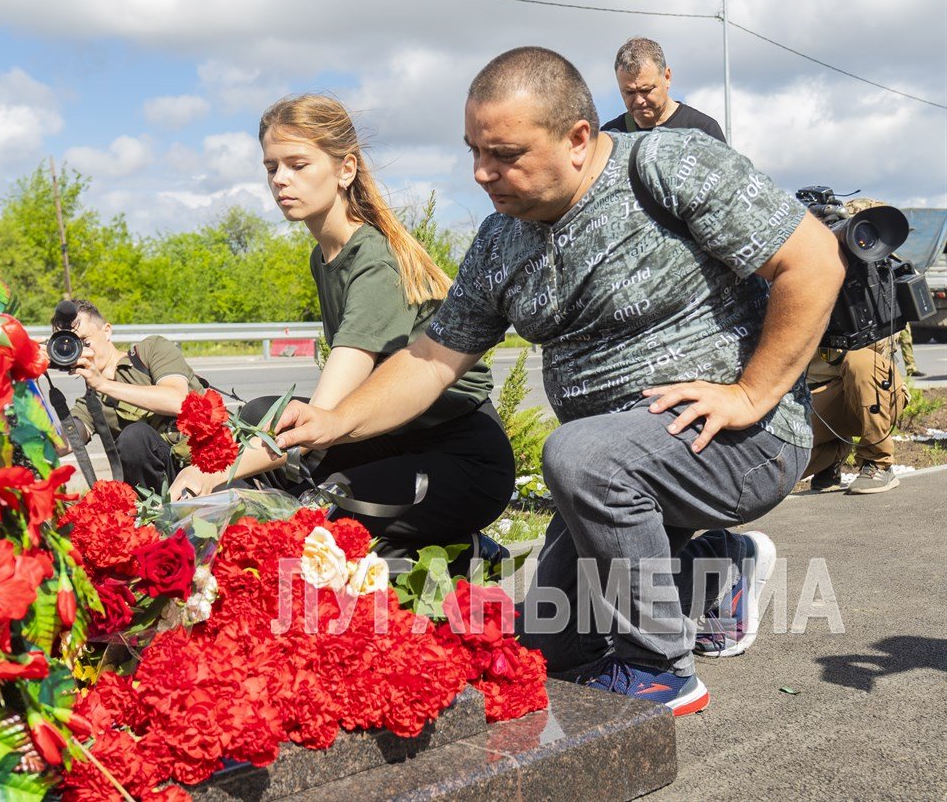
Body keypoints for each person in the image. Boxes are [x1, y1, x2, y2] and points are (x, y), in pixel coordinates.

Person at [274, 47, 845, 716]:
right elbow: (432, 357)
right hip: (618, 470)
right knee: (546, 648)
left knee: (577, 454)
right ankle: (714, 567)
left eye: (505, 153)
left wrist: (752, 393)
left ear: (578, 139)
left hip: (744, 437)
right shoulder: (498, 241)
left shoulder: (666, 165)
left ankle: (661, 667)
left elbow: (814, 261)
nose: (483, 172)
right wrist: (335, 419)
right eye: (473, 151)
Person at [169, 94, 515, 560]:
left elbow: (325, 414)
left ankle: (463, 551)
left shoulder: (373, 261)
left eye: (297, 164)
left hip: (461, 457)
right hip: (389, 438)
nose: (280, 180)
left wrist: (213, 474)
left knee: (322, 508)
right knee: (260, 413)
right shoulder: (325, 255)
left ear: (345, 170)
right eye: (272, 167)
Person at [63, 300, 206, 490]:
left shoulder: (150, 350)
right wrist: (28, 379)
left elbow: (178, 401)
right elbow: (62, 444)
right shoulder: (91, 403)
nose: (81, 351)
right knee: (134, 439)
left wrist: (104, 384)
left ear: (107, 331)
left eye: (84, 341)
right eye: (71, 346)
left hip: (205, 465)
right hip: (159, 488)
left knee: (134, 435)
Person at [806, 337, 909, 495]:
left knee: (861, 361)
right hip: (820, 395)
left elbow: (881, 343)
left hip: (874, 391)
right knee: (775, 463)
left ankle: (878, 462)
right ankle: (833, 452)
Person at [601, 37, 726, 142]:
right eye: (629, 92)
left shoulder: (704, 131)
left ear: (667, 77)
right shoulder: (608, 138)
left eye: (646, 90)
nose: (639, 100)